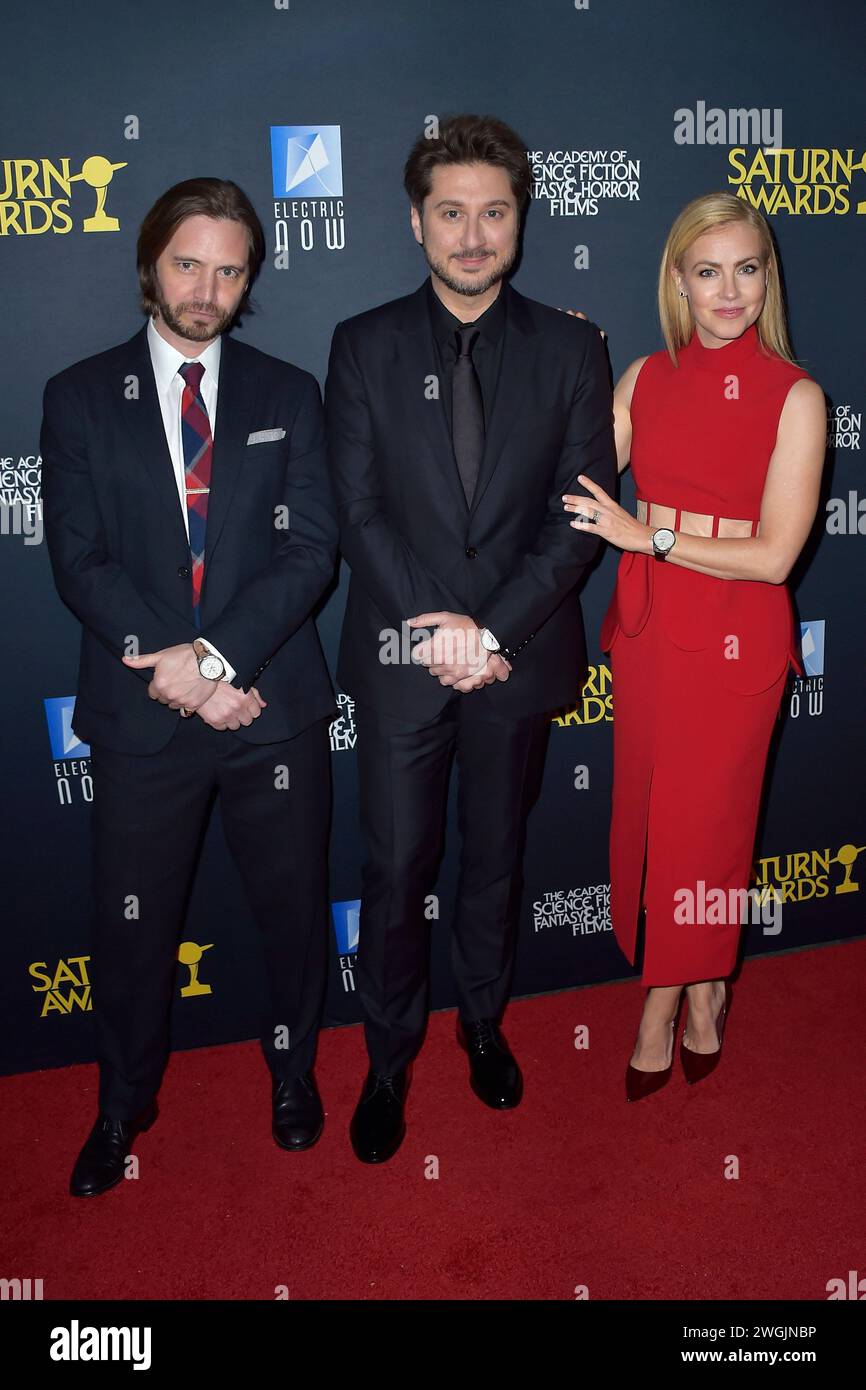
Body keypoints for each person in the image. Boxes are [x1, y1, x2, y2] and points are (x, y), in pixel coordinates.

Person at [325, 114, 616, 1162]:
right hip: (405, 661)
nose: (472, 233)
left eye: (493, 212)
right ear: (415, 222)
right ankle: (386, 1059)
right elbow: (356, 511)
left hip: (517, 652)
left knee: (494, 859)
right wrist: (441, 630)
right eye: (450, 211)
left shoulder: (574, 347)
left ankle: (482, 1023)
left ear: (519, 222)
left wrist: (488, 628)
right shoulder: (361, 344)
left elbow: (577, 516)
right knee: (396, 867)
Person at [41, 178, 339, 1195]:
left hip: (272, 709)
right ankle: (121, 1101)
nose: (207, 288)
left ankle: (293, 1071)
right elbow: (80, 562)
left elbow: (312, 555)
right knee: (130, 927)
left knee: (294, 912)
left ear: (250, 277)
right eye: (187, 263)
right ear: (148, 265)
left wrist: (219, 663)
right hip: (141, 713)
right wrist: (183, 673)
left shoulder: (288, 391)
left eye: (229, 268)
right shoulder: (78, 395)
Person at [562, 192, 826, 1100]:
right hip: (647, 634)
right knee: (647, 817)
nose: (728, 292)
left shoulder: (796, 395)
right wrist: (566, 366)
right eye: (707, 271)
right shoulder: (645, 375)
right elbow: (578, 474)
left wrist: (654, 539)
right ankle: (705, 983)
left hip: (734, 639)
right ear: (677, 278)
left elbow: (777, 554)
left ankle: (661, 1006)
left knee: (708, 831)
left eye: (746, 269)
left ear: (768, 277)